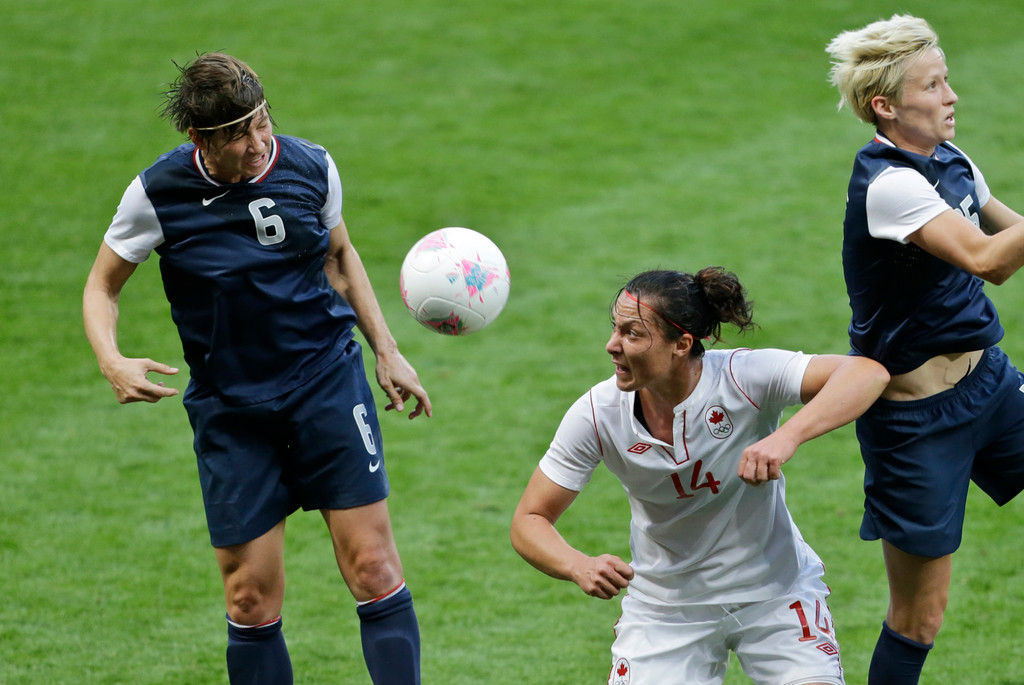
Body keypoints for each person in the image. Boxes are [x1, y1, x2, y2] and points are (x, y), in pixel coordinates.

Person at [82, 52, 431, 685]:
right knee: (249, 597)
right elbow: (102, 286)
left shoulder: (310, 166)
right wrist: (111, 358)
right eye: (237, 134)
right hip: (232, 411)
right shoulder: (157, 194)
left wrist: (386, 348)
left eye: (261, 122)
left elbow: (340, 255)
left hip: (325, 384)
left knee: (375, 568)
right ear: (199, 139)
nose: (256, 144)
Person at [510, 267, 889, 685]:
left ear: (682, 344)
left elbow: (867, 374)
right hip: (666, 610)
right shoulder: (598, 415)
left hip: (774, 593)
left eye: (633, 334)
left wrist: (787, 437)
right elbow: (530, 520)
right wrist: (577, 564)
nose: (612, 345)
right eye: (615, 329)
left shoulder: (743, 378)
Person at [826, 15, 1024, 684]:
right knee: (919, 618)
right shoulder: (890, 185)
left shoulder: (952, 160)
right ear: (886, 105)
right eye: (934, 85)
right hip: (916, 426)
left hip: (990, 386)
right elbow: (988, 260)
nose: (952, 96)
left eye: (947, 80)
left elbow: (1011, 231)